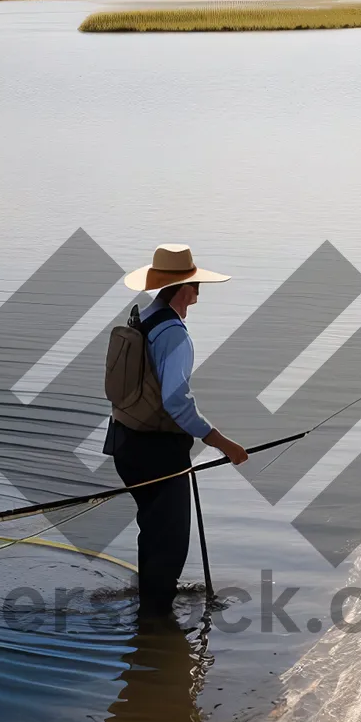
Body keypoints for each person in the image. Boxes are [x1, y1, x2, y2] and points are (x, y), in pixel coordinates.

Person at [104, 244, 248, 616]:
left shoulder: (143, 319)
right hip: (157, 455)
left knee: (153, 534)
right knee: (168, 545)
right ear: (186, 289)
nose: (200, 292)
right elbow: (177, 402)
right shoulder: (175, 335)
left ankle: (148, 612)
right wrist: (223, 443)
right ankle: (154, 626)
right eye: (197, 284)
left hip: (124, 444)